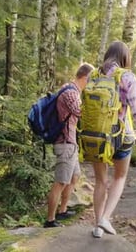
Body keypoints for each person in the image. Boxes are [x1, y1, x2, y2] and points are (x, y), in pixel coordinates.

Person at [89, 41, 136, 238]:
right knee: (120, 177)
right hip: (121, 137)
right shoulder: (127, 77)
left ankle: (98, 226)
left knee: (100, 181)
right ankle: (105, 218)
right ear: (125, 58)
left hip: (96, 137)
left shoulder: (93, 76)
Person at [44, 63, 95, 228]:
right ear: (85, 78)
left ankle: (62, 211)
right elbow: (82, 113)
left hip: (70, 142)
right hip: (65, 142)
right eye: (91, 80)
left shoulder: (72, 90)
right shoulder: (71, 92)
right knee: (60, 181)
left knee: (74, 177)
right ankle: (50, 220)